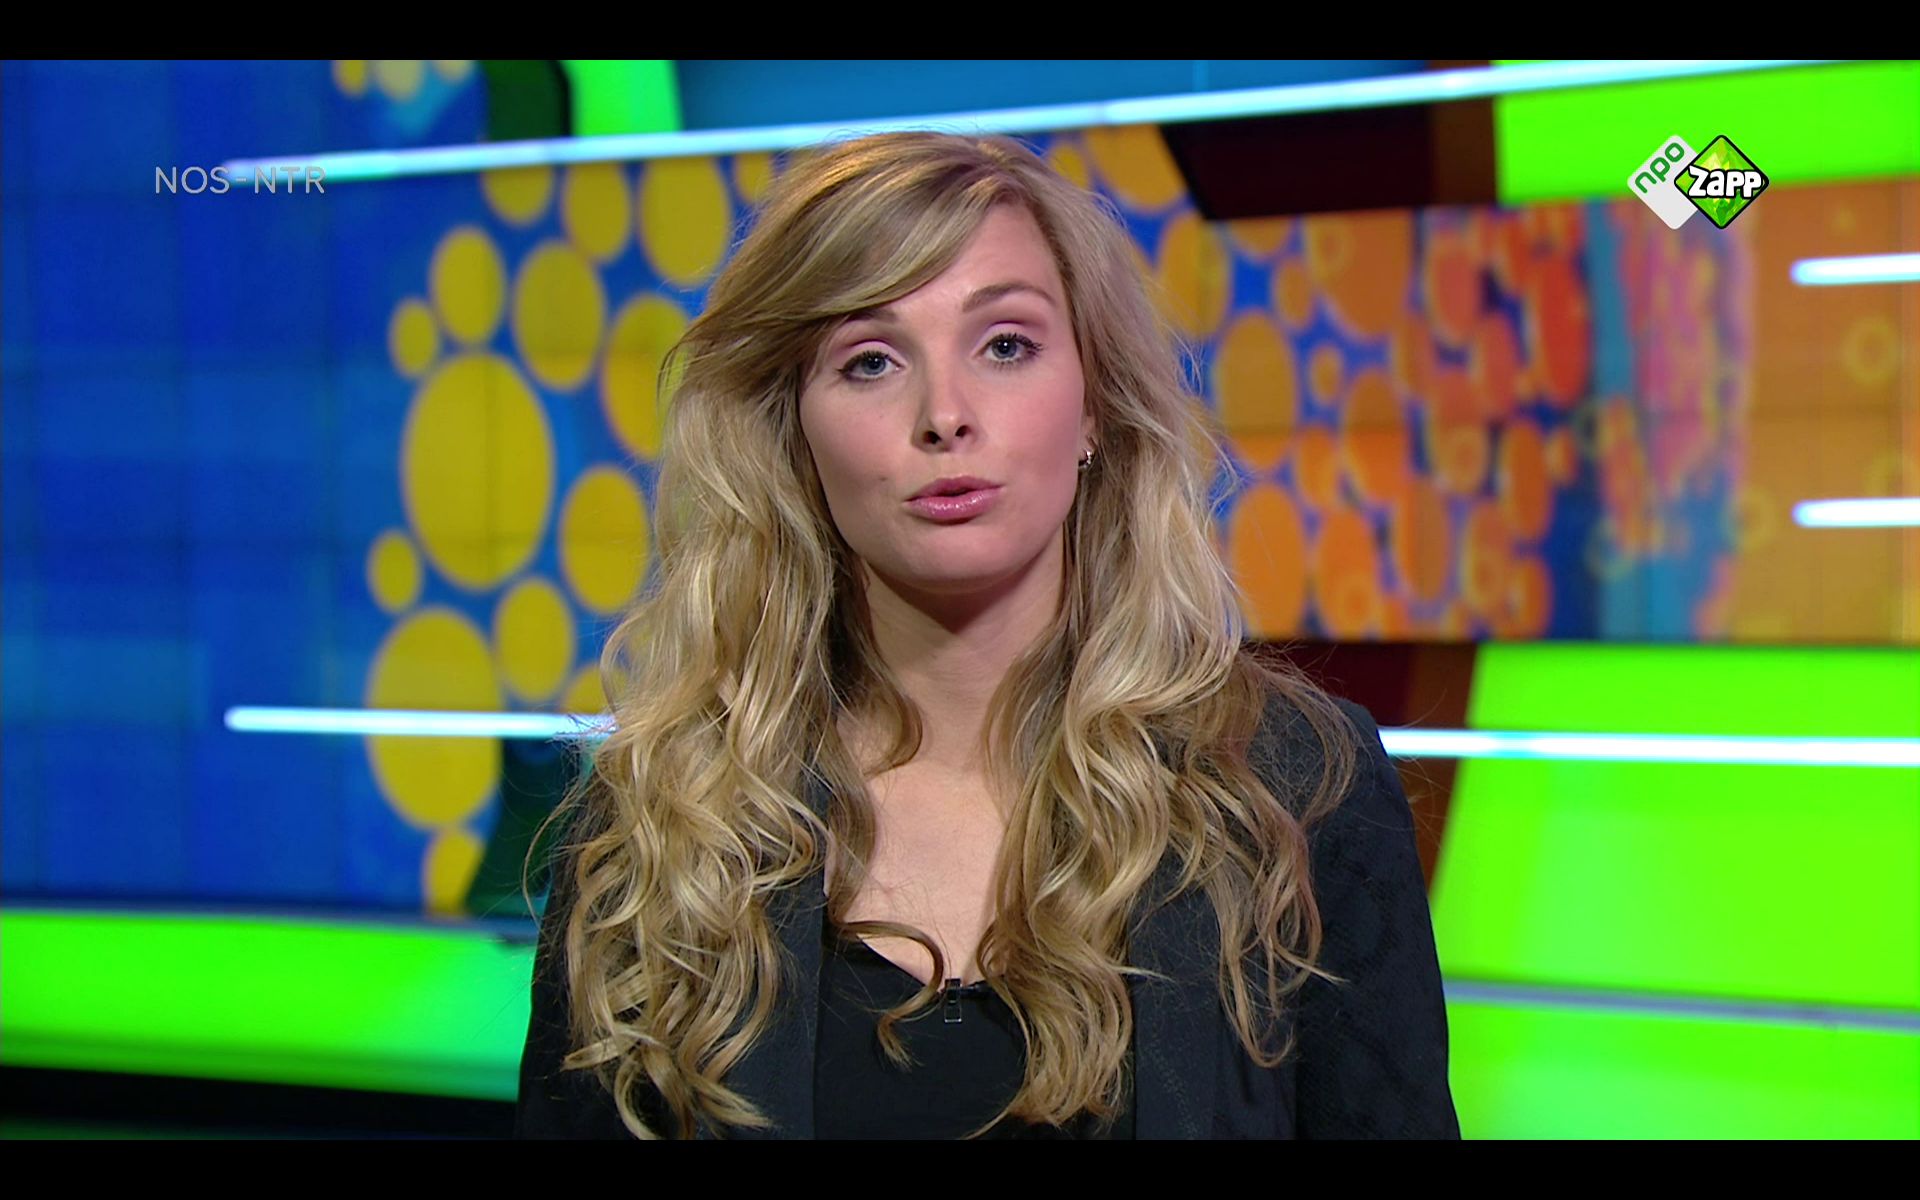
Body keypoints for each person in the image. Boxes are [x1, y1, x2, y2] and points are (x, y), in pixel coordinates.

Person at [514, 130, 1458, 1140]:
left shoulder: (1296, 791)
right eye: (871, 361)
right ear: (791, 434)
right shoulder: (659, 820)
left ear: (1093, 405)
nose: (945, 415)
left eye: (1005, 345)